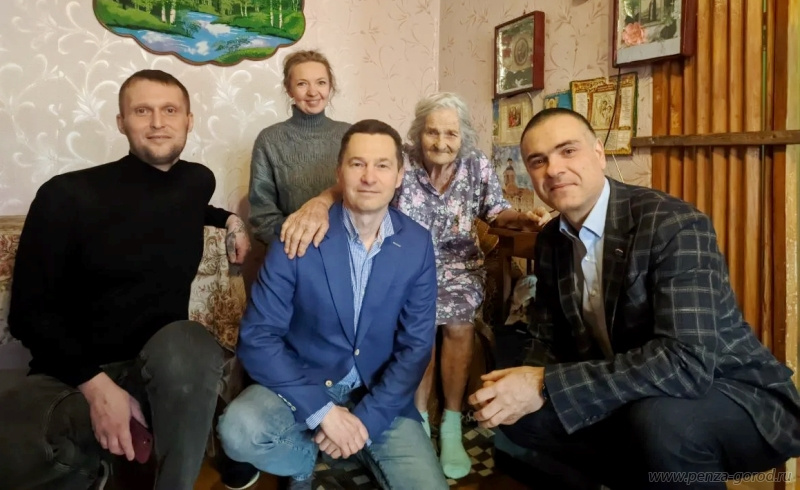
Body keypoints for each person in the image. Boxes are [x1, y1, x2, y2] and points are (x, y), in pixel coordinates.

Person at [468, 108, 800, 489]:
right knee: (516, 414)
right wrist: (516, 386)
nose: (554, 169)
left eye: (568, 151)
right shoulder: (550, 240)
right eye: (538, 161)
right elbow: (546, 338)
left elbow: (686, 362)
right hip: (632, 390)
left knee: (661, 425)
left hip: (731, 389)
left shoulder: (673, 225)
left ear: (598, 153)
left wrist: (544, 383)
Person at [0, 69, 250, 490]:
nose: (158, 122)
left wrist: (232, 221)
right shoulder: (65, 195)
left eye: (170, 110)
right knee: (14, 442)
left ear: (189, 120)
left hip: (162, 372)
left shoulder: (196, 180)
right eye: (142, 111)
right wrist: (97, 388)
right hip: (71, 375)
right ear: (121, 122)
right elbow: (27, 313)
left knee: (190, 341)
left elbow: (186, 206)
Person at [279, 92, 549, 479]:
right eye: (432, 132)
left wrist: (523, 219)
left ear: (463, 135)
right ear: (419, 132)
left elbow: (496, 210)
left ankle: (451, 423)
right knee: (420, 323)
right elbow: (349, 186)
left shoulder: (476, 165)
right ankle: (418, 417)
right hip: (402, 263)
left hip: (459, 266)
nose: (441, 142)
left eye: (451, 134)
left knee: (458, 323)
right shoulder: (401, 161)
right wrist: (318, 204)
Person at [217, 120, 448, 490]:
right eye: (357, 164)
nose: (369, 177)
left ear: (399, 175)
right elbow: (258, 337)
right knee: (238, 430)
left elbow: (416, 346)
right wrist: (323, 413)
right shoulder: (297, 235)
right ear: (339, 172)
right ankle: (304, 459)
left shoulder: (417, 243)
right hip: (303, 383)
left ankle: (349, 443)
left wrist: (366, 422)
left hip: (378, 393)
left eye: (382, 165)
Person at [248, 49, 350, 246]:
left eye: (321, 82)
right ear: (289, 89)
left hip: (345, 247)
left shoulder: (351, 136)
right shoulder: (269, 140)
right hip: (292, 250)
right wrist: (300, 240)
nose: (313, 92)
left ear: (330, 86)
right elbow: (262, 216)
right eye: (302, 84)